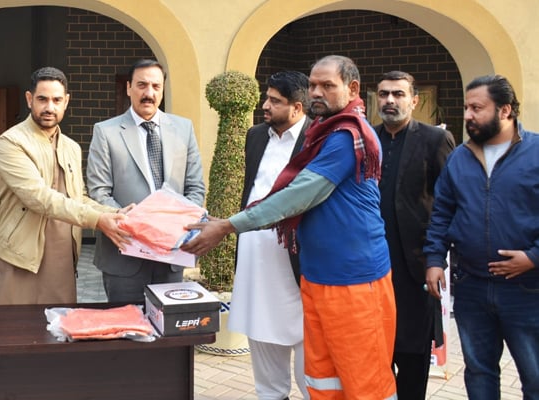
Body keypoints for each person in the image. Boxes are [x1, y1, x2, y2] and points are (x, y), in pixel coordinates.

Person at [182, 55, 397, 399]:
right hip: (319, 276)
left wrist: (227, 226)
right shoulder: (321, 133)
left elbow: (294, 197)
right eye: (313, 84)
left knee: (363, 380)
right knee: (325, 379)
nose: (317, 92)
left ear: (353, 89)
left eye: (328, 86)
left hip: (354, 278)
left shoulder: (345, 136)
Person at [424, 75, 539, 399]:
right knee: (478, 374)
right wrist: (434, 259)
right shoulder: (460, 157)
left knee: (535, 376)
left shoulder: (536, 153)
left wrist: (533, 258)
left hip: (527, 290)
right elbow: (442, 213)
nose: (468, 116)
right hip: (472, 286)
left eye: (477, 108)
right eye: (465, 108)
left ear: (505, 110)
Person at [0, 67, 130, 305]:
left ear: (66, 101)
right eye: (42, 99)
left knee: (58, 332)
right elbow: (39, 197)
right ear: (29, 99)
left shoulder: (71, 147)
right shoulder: (10, 142)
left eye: (56, 100)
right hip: (21, 257)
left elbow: (79, 197)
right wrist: (97, 221)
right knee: (15, 334)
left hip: (63, 256)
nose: (49, 108)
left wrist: (116, 214)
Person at [87, 59, 205, 303]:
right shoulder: (106, 132)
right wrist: (138, 225)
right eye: (141, 85)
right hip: (124, 256)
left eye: (155, 86)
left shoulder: (183, 129)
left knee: (168, 336)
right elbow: (98, 191)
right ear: (128, 88)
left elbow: (195, 188)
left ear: (162, 90)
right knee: (126, 332)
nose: (149, 93)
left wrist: (173, 228)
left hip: (171, 254)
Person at [374, 70, 455, 399]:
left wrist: (437, 257)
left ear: (414, 100)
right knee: (375, 355)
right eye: (383, 94)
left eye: (398, 94)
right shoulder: (366, 138)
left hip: (416, 268)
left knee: (411, 356)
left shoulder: (435, 139)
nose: (390, 100)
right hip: (372, 268)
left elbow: (449, 202)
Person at [231, 71, 310, 400]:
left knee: (312, 372)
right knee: (266, 365)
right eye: (267, 98)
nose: (265, 106)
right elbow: (251, 191)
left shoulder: (316, 139)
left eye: (274, 101)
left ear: (297, 107)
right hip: (255, 259)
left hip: (298, 262)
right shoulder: (256, 136)